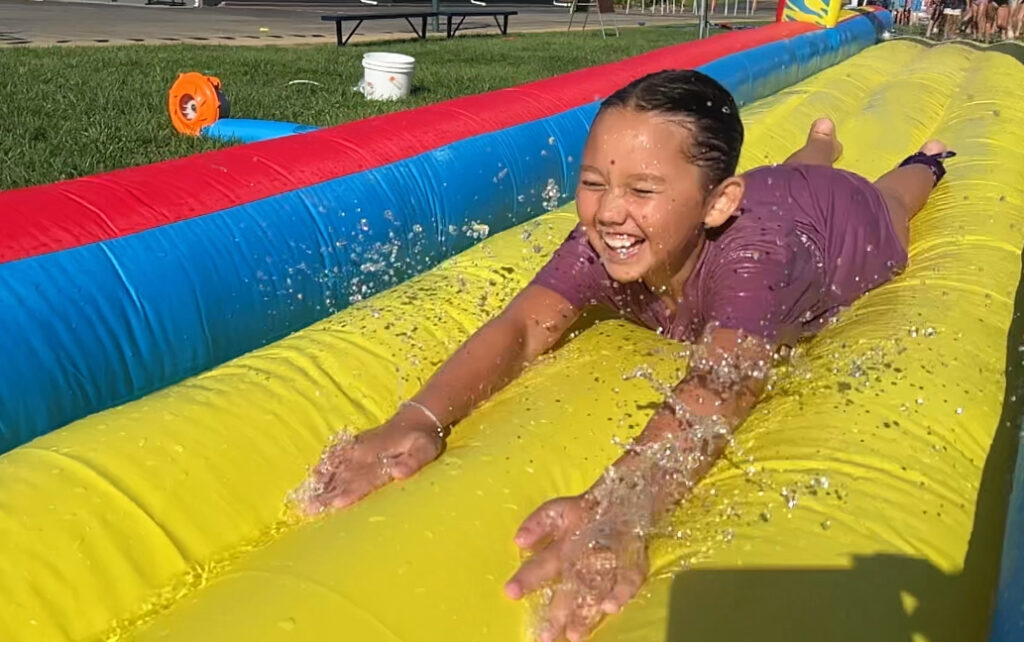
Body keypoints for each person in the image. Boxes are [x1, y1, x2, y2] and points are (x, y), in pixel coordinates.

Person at [292, 70, 953, 642]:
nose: (610, 212)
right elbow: (523, 328)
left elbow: (727, 379)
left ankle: (921, 160)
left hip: (844, 220)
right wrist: (419, 418)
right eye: (593, 182)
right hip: (768, 189)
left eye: (641, 190)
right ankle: (820, 144)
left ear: (717, 205)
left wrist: (622, 503)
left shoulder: (753, 257)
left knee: (892, 196)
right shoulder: (606, 241)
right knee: (790, 172)